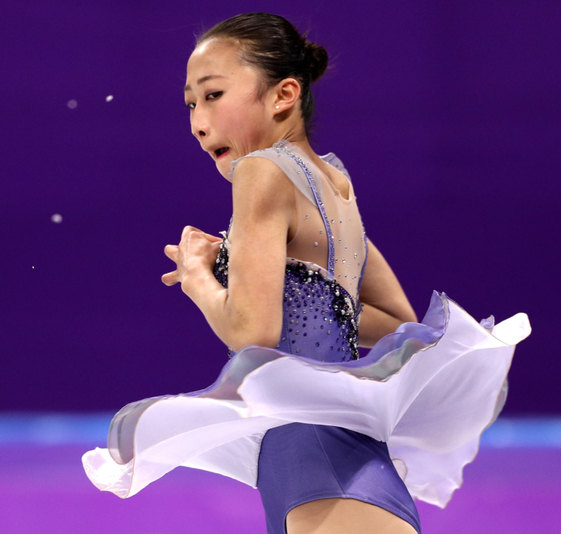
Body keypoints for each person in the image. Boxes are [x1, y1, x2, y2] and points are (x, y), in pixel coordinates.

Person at [82, 12, 530, 534]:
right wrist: (279, 283)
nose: (197, 121)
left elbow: (253, 334)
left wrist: (198, 275)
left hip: (316, 462)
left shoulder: (260, 170)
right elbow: (401, 324)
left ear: (283, 94)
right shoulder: (335, 182)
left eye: (212, 94)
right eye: (189, 103)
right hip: (343, 463)